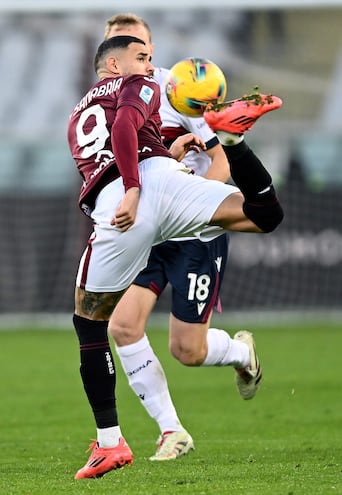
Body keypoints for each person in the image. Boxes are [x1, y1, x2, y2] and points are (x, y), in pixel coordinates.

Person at [67, 35, 283, 479]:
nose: (150, 65)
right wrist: (133, 185)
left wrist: (143, 175)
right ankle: (237, 143)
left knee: (90, 322)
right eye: (141, 57)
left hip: (131, 205)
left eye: (149, 56)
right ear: (111, 65)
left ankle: (110, 442)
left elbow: (120, 138)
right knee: (263, 216)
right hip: (150, 187)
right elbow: (127, 124)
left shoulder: (75, 116)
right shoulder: (134, 86)